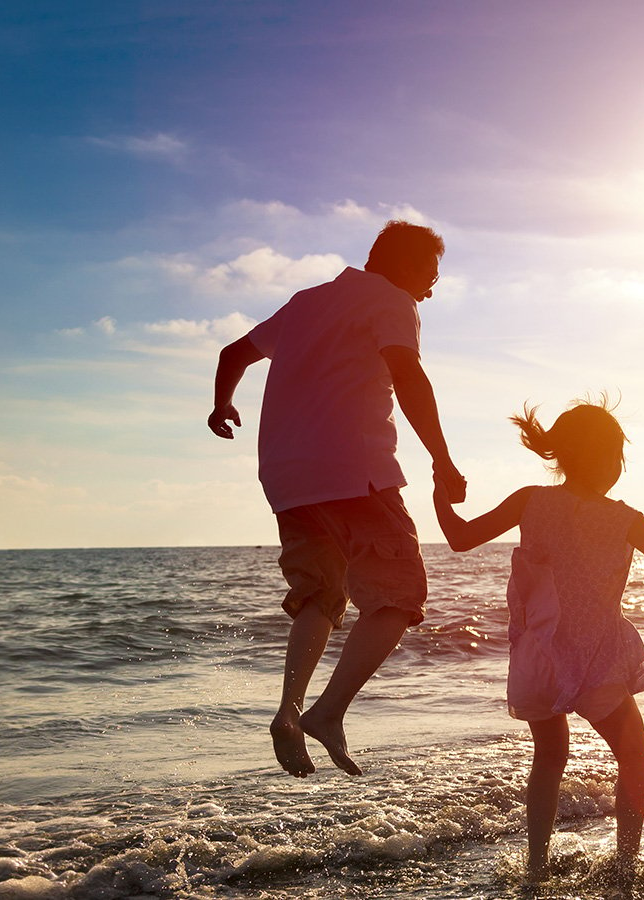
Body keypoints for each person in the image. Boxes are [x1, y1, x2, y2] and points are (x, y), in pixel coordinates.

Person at [432, 399, 644, 886]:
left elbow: (459, 538)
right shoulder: (625, 518)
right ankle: (624, 867)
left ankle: (535, 868)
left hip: (538, 658)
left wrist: (438, 493)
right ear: (607, 459)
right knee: (634, 753)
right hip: (595, 656)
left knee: (550, 757)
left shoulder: (529, 499)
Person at [207, 220, 468, 779]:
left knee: (320, 596)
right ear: (401, 263)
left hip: (287, 478)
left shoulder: (306, 302)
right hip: (357, 471)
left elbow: (234, 353)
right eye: (430, 273)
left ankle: (288, 709)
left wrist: (221, 406)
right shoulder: (392, 300)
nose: (431, 286)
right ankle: (327, 713)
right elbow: (408, 374)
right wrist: (442, 459)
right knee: (400, 596)